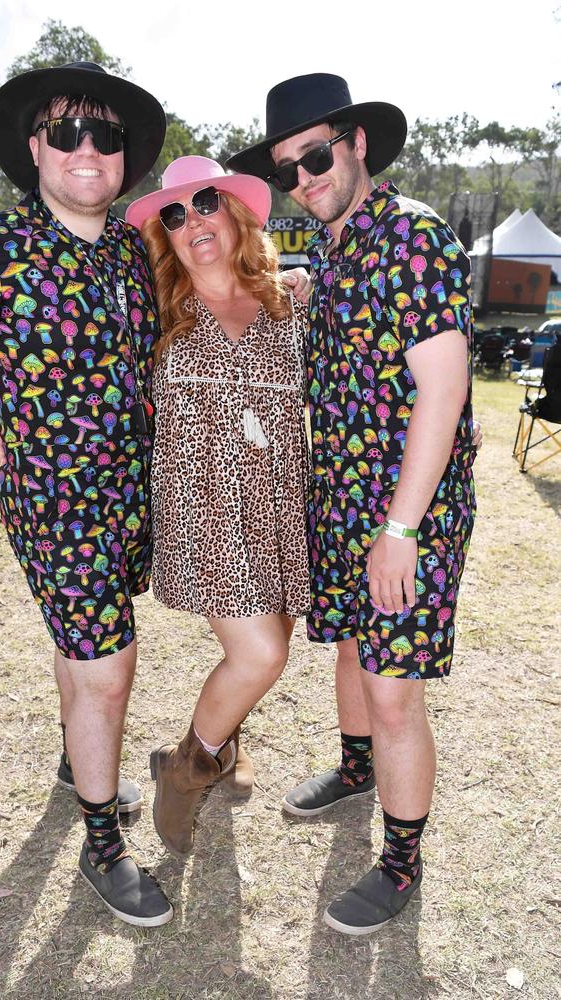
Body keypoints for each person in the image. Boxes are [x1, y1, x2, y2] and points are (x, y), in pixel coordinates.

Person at [0, 61, 174, 926]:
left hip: (133, 501)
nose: (88, 150)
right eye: (67, 132)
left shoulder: (137, 251)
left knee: (84, 653)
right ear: (36, 148)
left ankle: (77, 763)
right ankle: (104, 842)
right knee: (109, 668)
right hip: (56, 504)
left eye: (104, 135)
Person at [227, 74, 477, 934]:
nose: (305, 176)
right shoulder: (332, 249)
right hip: (338, 496)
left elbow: (442, 394)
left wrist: (400, 530)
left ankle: (402, 861)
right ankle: (356, 768)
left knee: (393, 685)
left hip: (407, 509)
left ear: (359, 143)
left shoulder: (415, 238)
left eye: (318, 154)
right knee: (348, 650)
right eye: (289, 167)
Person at [124, 156, 311, 856]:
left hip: (279, 503)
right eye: (173, 215)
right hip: (201, 508)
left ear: (235, 212)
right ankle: (188, 766)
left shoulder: (288, 302)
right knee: (259, 653)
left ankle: (228, 746)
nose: (191, 221)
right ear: (166, 238)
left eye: (205, 202)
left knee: (274, 639)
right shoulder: (153, 311)